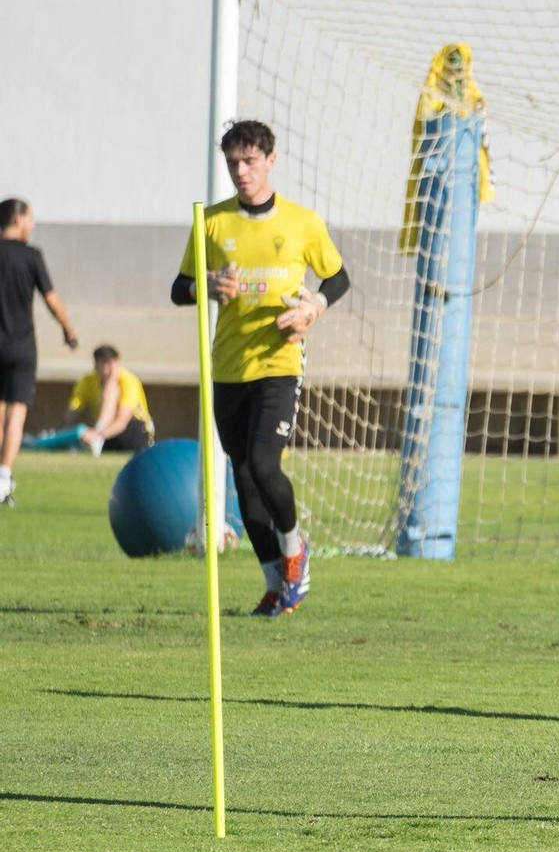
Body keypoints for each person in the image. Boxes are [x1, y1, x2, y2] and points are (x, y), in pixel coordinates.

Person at [171, 120, 350, 617]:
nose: (240, 171)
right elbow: (178, 287)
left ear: (271, 160)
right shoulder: (212, 223)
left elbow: (337, 277)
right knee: (245, 480)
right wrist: (204, 285)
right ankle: (275, 585)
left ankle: (295, 549)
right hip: (228, 367)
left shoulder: (302, 222)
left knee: (265, 463)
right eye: (232, 163)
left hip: (278, 361)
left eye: (249, 161)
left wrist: (313, 306)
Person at [0, 198, 79, 506]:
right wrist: (68, 329)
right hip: (21, 348)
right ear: (17, 219)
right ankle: (4, 477)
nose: (32, 225)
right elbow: (51, 298)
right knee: (16, 416)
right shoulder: (31, 256)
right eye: (30, 219)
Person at [26, 345, 155, 454]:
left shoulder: (128, 381)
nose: (112, 370)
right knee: (80, 435)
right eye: (106, 364)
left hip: (135, 431)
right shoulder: (87, 381)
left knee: (111, 388)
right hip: (107, 434)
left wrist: (98, 434)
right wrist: (54, 431)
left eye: (115, 364)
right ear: (96, 366)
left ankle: (96, 438)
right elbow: (71, 412)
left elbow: (122, 422)